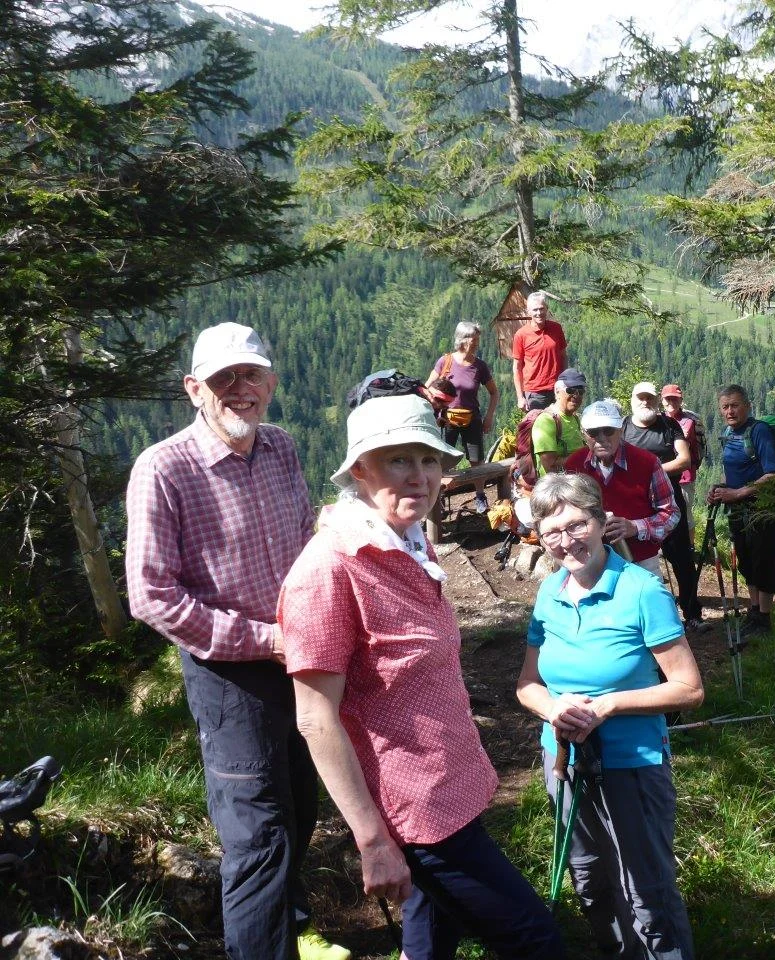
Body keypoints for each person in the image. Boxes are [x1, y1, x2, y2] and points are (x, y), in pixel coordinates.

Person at [278, 394, 563, 960]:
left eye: (428, 460)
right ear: (359, 471)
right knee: (534, 937)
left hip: (451, 782)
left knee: (431, 936)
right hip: (416, 811)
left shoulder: (408, 541)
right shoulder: (330, 568)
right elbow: (314, 717)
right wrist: (373, 840)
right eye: (398, 461)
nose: (420, 477)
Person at [125, 322, 349, 960]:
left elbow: (303, 538)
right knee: (257, 838)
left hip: (300, 657)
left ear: (271, 382)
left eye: (253, 374)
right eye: (224, 378)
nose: (241, 389)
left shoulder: (280, 447)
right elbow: (151, 597)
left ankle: (289, 924)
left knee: (302, 806)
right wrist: (264, 639)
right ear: (195, 388)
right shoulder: (163, 469)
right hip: (230, 676)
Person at [516, 473, 703, 960]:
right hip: (564, 761)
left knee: (646, 887)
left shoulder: (643, 591)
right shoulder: (549, 592)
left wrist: (608, 705)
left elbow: (689, 689)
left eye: (577, 525)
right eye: (552, 531)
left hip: (631, 762)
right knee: (589, 876)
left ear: (601, 523)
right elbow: (527, 685)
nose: (566, 541)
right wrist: (555, 708)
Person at [623, 382, 706, 631]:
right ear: (632, 400)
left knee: (681, 558)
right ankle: (639, 615)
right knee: (633, 560)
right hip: (633, 504)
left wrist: (650, 472)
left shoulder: (669, 426)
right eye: (641, 397)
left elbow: (684, 459)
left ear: (657, 401)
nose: (645, 402)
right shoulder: (623, 427)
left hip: (668, 501)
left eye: (649, 398)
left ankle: (692, 613)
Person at [566, 400, 681, 577]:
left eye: (608, 430)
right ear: (584, 435)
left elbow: (671, 513)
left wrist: (635, 527)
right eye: (593, 432)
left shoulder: (647, 463)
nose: (602, 438)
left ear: (621, 430)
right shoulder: (574, 465)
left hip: (640, 563)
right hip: (588, 561)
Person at [707, 385, 775, 637]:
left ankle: (765, 619)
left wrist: (737, 493)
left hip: (762, 509)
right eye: (725, 407)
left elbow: (773, 474)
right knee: (747, 562)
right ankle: (754, 611)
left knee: (764, 562)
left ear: (747, 406)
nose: (730, 411)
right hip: (738, 510)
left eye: (735, 405)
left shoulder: (759, 431)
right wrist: (720, 488)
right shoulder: (729, 433)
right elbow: (732, 471)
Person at [432, 321, 499, 507]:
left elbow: (494, 392)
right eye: (473, 339)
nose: (477, 342)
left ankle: (480, 497)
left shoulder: (480, 366)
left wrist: (489, 416)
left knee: (476, 460)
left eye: (477, 338)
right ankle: (441, 498)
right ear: (462, 340)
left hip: (472, 418)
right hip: (447, 419)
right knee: (445, 461)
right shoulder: (445, 362)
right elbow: (429, 387)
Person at [512, 290, 568, 412]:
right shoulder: (521, 335)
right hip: (534, 393)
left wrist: (565, 382)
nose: (539, 313)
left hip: (557, 391)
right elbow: (517, 367)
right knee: (537, 429)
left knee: (559, 428)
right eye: (535, 310)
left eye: (542, 309)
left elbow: (563, 357)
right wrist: (520, 397)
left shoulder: (556, 329)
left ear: (546, 309)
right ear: (528, 311)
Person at [532, 368, 587, 477]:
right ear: (557, 392)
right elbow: (550, 466)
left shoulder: (575, 418)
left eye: (580, 391)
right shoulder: (546, 421)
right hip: (555, 487)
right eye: (570, 390)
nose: (576, 395)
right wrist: (584, 456)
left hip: (576, 481)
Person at [660, 384, 703, 502]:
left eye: (675, 399)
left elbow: (678, 442)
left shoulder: (687, 422)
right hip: (663, 476)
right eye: (668, 399)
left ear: (681, 401)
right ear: (662, 400)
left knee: (685, 514)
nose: (671, 402)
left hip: (684, 476)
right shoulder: (658, 419)